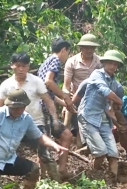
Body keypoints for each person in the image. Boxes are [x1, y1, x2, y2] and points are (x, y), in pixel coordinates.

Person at [0, 52, 62, 181]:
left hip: (35, 122)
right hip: (13, 123)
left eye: (24, 66)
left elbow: (48, 101)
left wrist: (55, 119)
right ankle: (2, 177)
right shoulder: (6, 85)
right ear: (12, 66)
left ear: (28, 66)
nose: (21, 69)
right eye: (18, 66)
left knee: (45, 153)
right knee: (4, 150)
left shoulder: (36, 82)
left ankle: (55, 182)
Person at [76, 50, 124, 179]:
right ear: (104, 63)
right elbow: (105, 91)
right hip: (88, 117)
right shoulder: (97, 74)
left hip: (103, 119)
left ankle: (113, 181)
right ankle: (93, 177)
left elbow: (112, 102)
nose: (112, 66)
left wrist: (116, 111)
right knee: (101, 152)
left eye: (115, 64)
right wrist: (119, 101)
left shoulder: (115, 83)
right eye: (110, 63)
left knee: (114, 154)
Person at [37, 37, 74, 179]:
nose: (67, 57)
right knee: (46, 141)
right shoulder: (55, 61)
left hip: (43, 106)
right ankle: (48, 175)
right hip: (43, 110)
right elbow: (49, 82)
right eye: (68, 53)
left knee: (64, 136)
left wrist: (66, 104)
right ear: (64, 50)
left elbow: (48, 91)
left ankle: (58, 170)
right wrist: (65, 96)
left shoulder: (45, 62)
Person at [62, 34, 102, 148]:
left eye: (92, 47)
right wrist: (66, 100)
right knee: (76, 126)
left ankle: (88, 151)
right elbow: (66, 85)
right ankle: (68, 148)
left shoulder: (99, 62)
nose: (89, 50)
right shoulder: (72, 62)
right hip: (76, 98)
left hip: (94, 100)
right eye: (86, 47)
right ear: (81, 47)